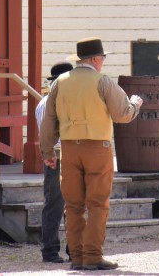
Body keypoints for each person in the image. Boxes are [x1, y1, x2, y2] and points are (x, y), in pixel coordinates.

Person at [39, 37, 144, 271]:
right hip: (98, 148)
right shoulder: (103, 81)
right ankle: (93, 255)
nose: (103, 62)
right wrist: (135, 103)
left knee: (73, 205)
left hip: (69, 148)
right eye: (102, 58)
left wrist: (47, 150)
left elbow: (48, 121)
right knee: (97, 204)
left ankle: (76, 256)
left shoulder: (59, 83)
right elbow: (122, 114)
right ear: (96, 59)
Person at [35, 61, 73, 264]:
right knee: (55, 204)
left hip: (69, 153)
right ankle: (50, 250)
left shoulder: (59, 100)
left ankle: (73, 249)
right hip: (56, 156)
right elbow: (47, 136)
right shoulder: (46, 103)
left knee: (73, 203)